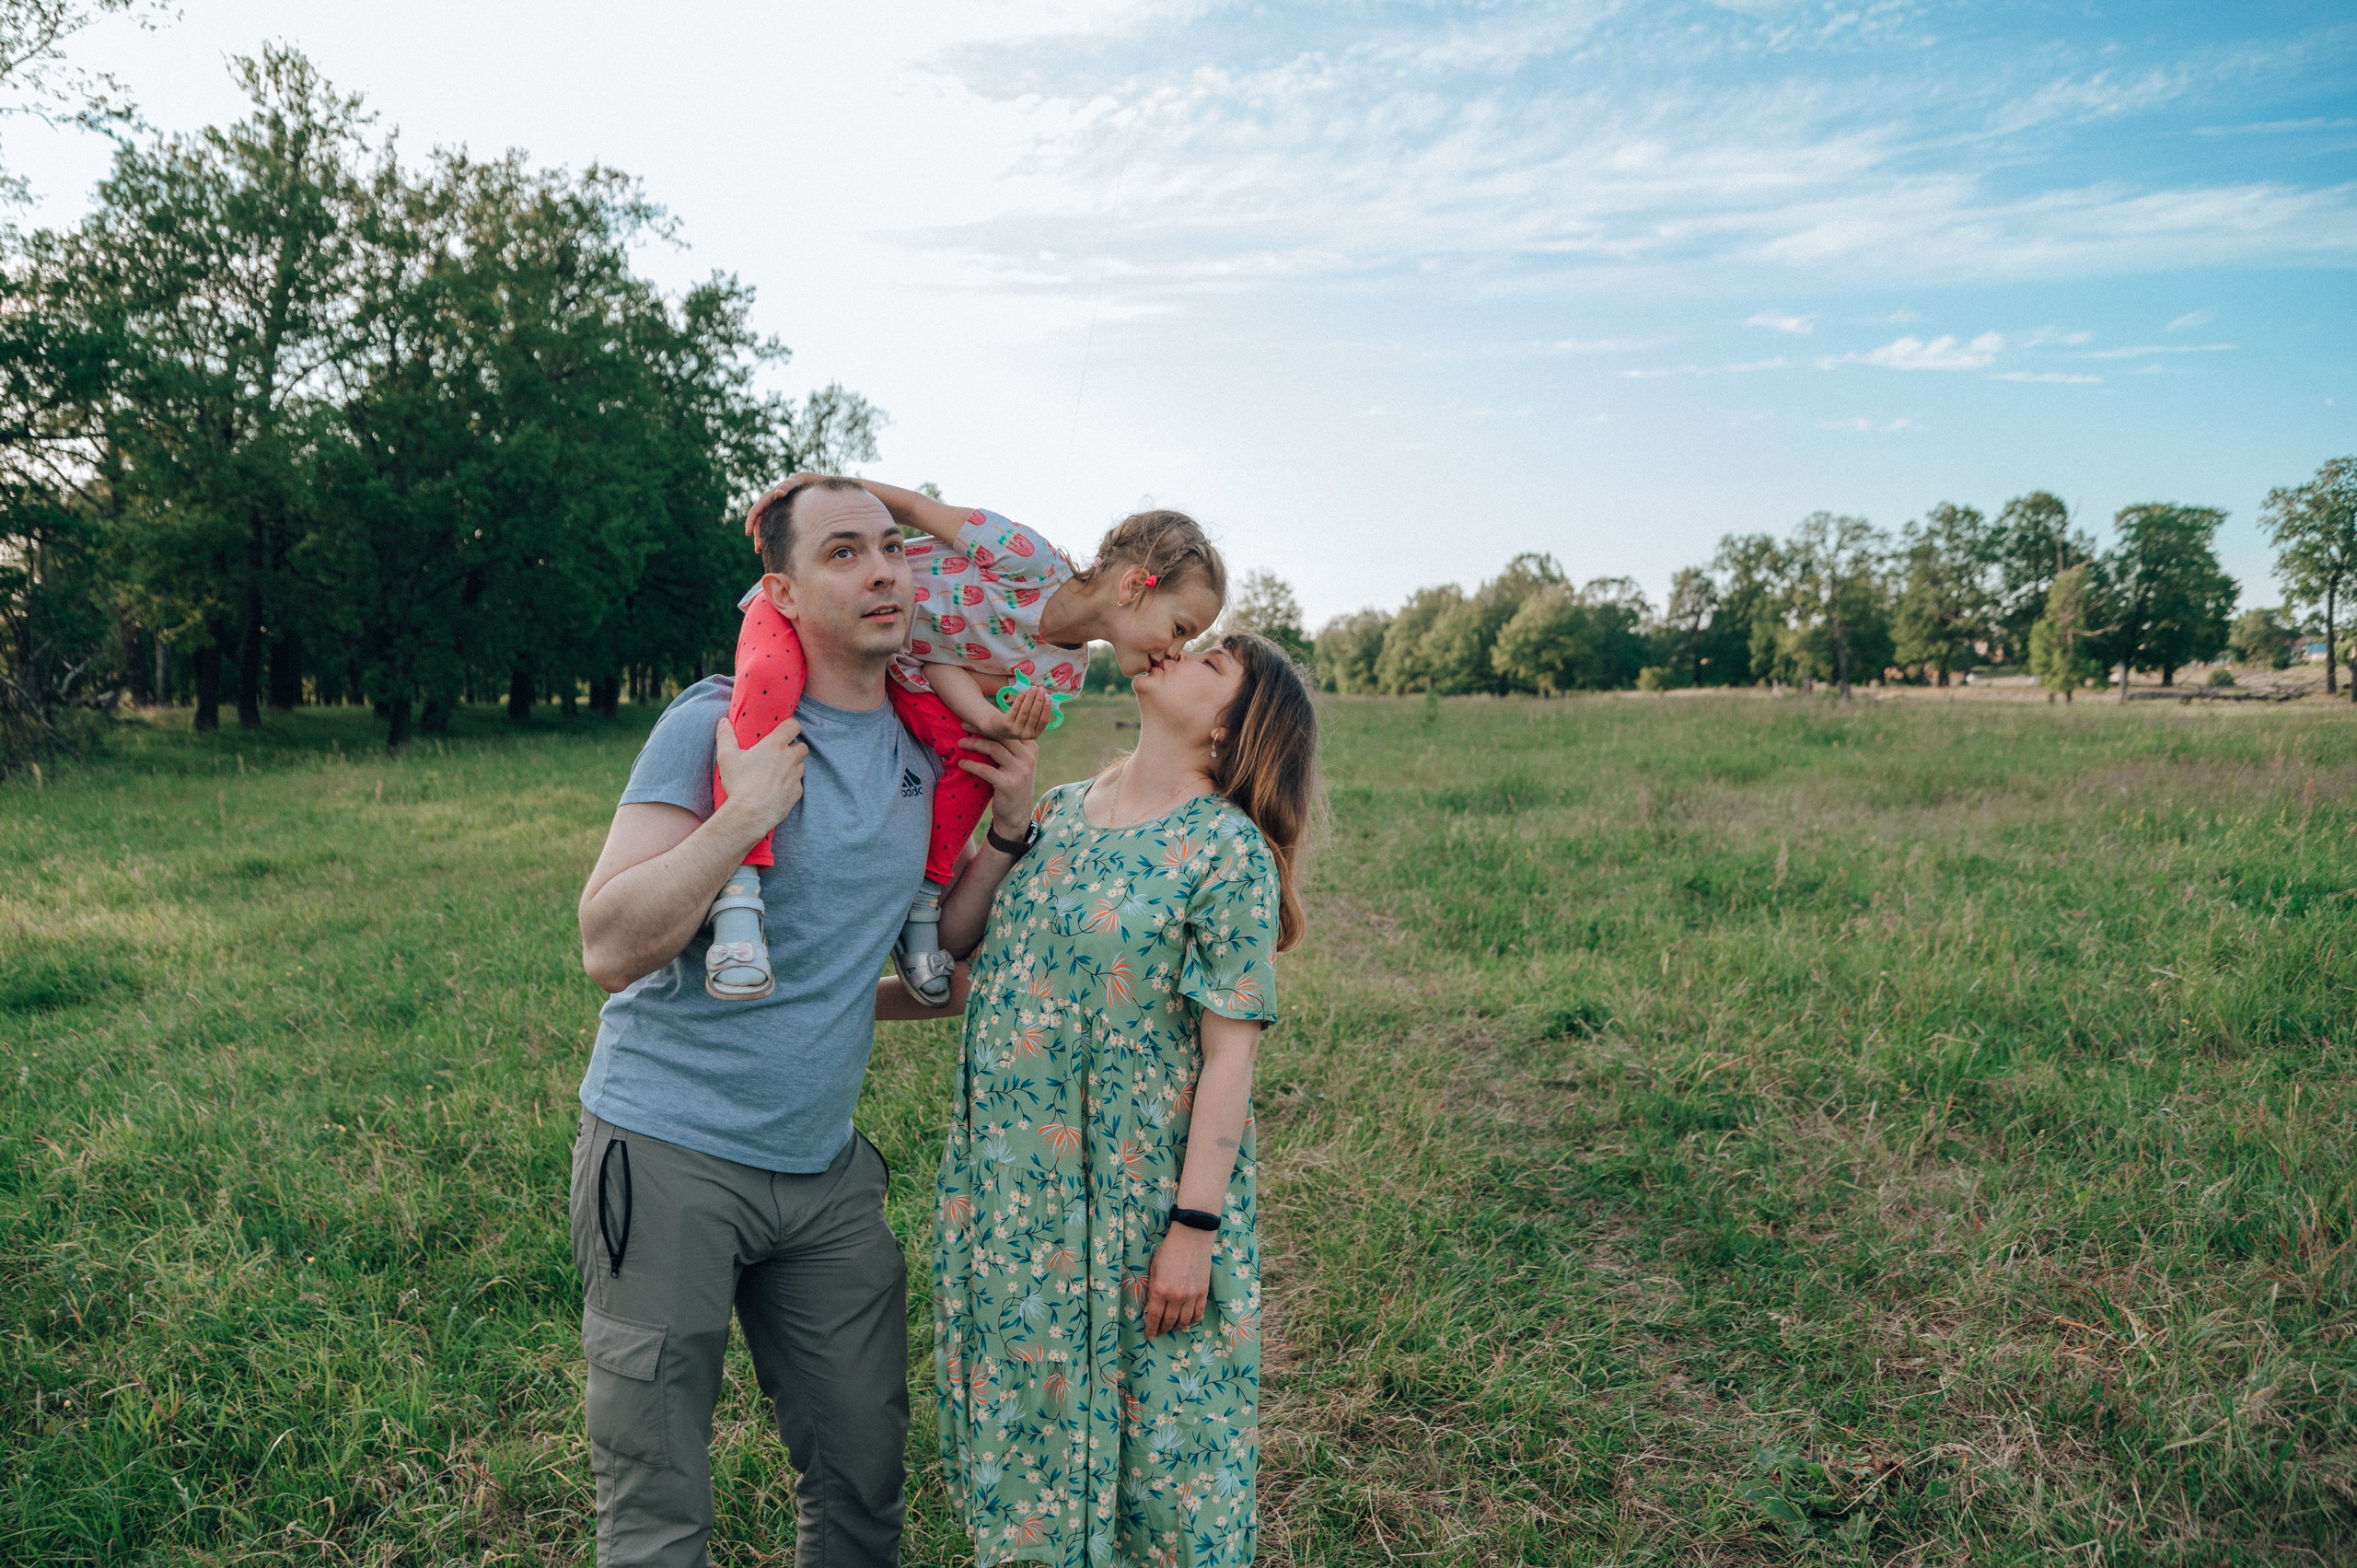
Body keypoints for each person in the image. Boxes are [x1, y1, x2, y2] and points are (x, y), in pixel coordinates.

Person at [571, 479, 1041, 1568]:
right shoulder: (714, 721)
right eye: (845, 553)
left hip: (822, 1171)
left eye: (893, 548)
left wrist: (1007, 828)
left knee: (862, 1473)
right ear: (781, 588)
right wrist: (742, 812)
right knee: (658, 1504)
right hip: (668, 1150)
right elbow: (608, 942)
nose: (885, 571)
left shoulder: (926, 751)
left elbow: (940, 960)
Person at [913, 631, 1319, 1568]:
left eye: (1211, 661)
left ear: (1228, 728)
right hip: (1019, 1192)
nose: (1179, 648)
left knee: (1160, 1448)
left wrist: (1194, 1227)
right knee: (1028, 1422)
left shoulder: (1226, 851)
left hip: (1140, 1203)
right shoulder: (1056, 809)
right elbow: (959, 943)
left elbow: (1229, 1060)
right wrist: (1008, 820)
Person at [702, 473, 1229, 1006]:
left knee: (990, 758)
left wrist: (996, 723)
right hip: (817, 619)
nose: (1178, 652)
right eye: (1181, 629)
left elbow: (942, 666)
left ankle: (923, 900)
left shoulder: (1063, 676)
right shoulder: (1026, 557)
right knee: (767, 672)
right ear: (1135, 585)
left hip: (898, 670)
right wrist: (826, 484)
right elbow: (912, 507)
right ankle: (739, 889)